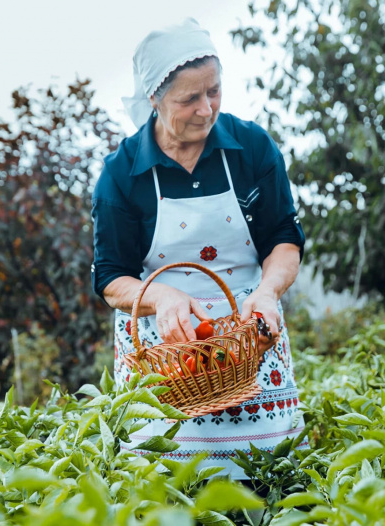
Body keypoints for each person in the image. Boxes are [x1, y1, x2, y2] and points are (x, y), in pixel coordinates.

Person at [91, 18, 307, 479]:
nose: (206, 110)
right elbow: (111, 278)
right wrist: (161, 297)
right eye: (189, 98)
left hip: (250, 342)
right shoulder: (122, 172)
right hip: (167, 357)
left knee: (270, 484)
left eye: (214, 91)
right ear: (153, 98)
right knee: (169, 490)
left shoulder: (251, 147)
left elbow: (284, 239)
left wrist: (267, 292)